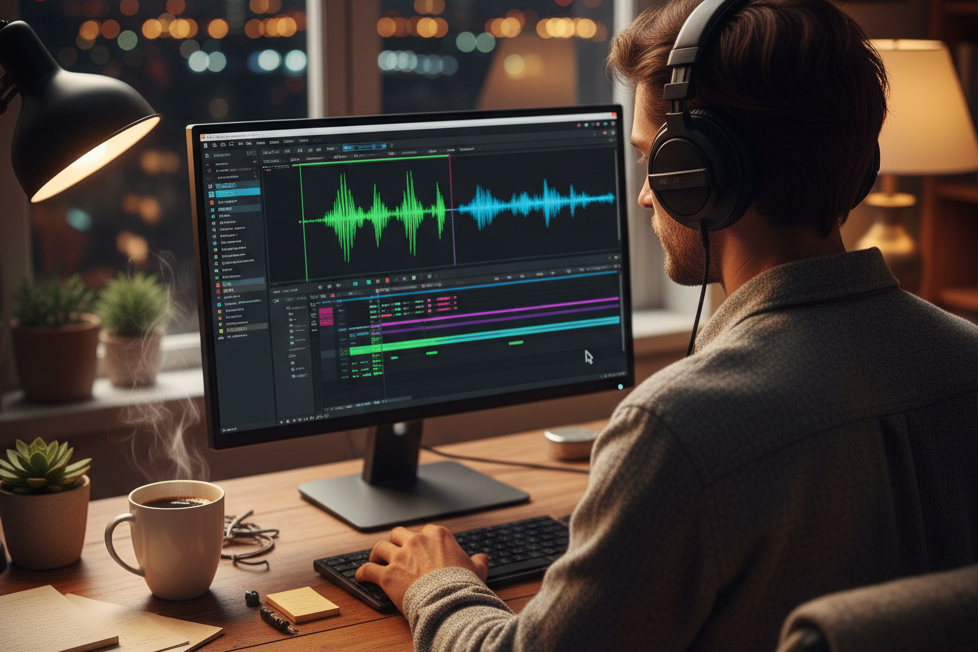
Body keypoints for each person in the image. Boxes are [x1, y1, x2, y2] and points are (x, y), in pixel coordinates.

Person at [355, 0, 978, 650]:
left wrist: (437, 582)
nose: (648, 193)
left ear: (702, 176)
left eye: (655, 159)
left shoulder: (676, 431)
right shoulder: (967, 358)